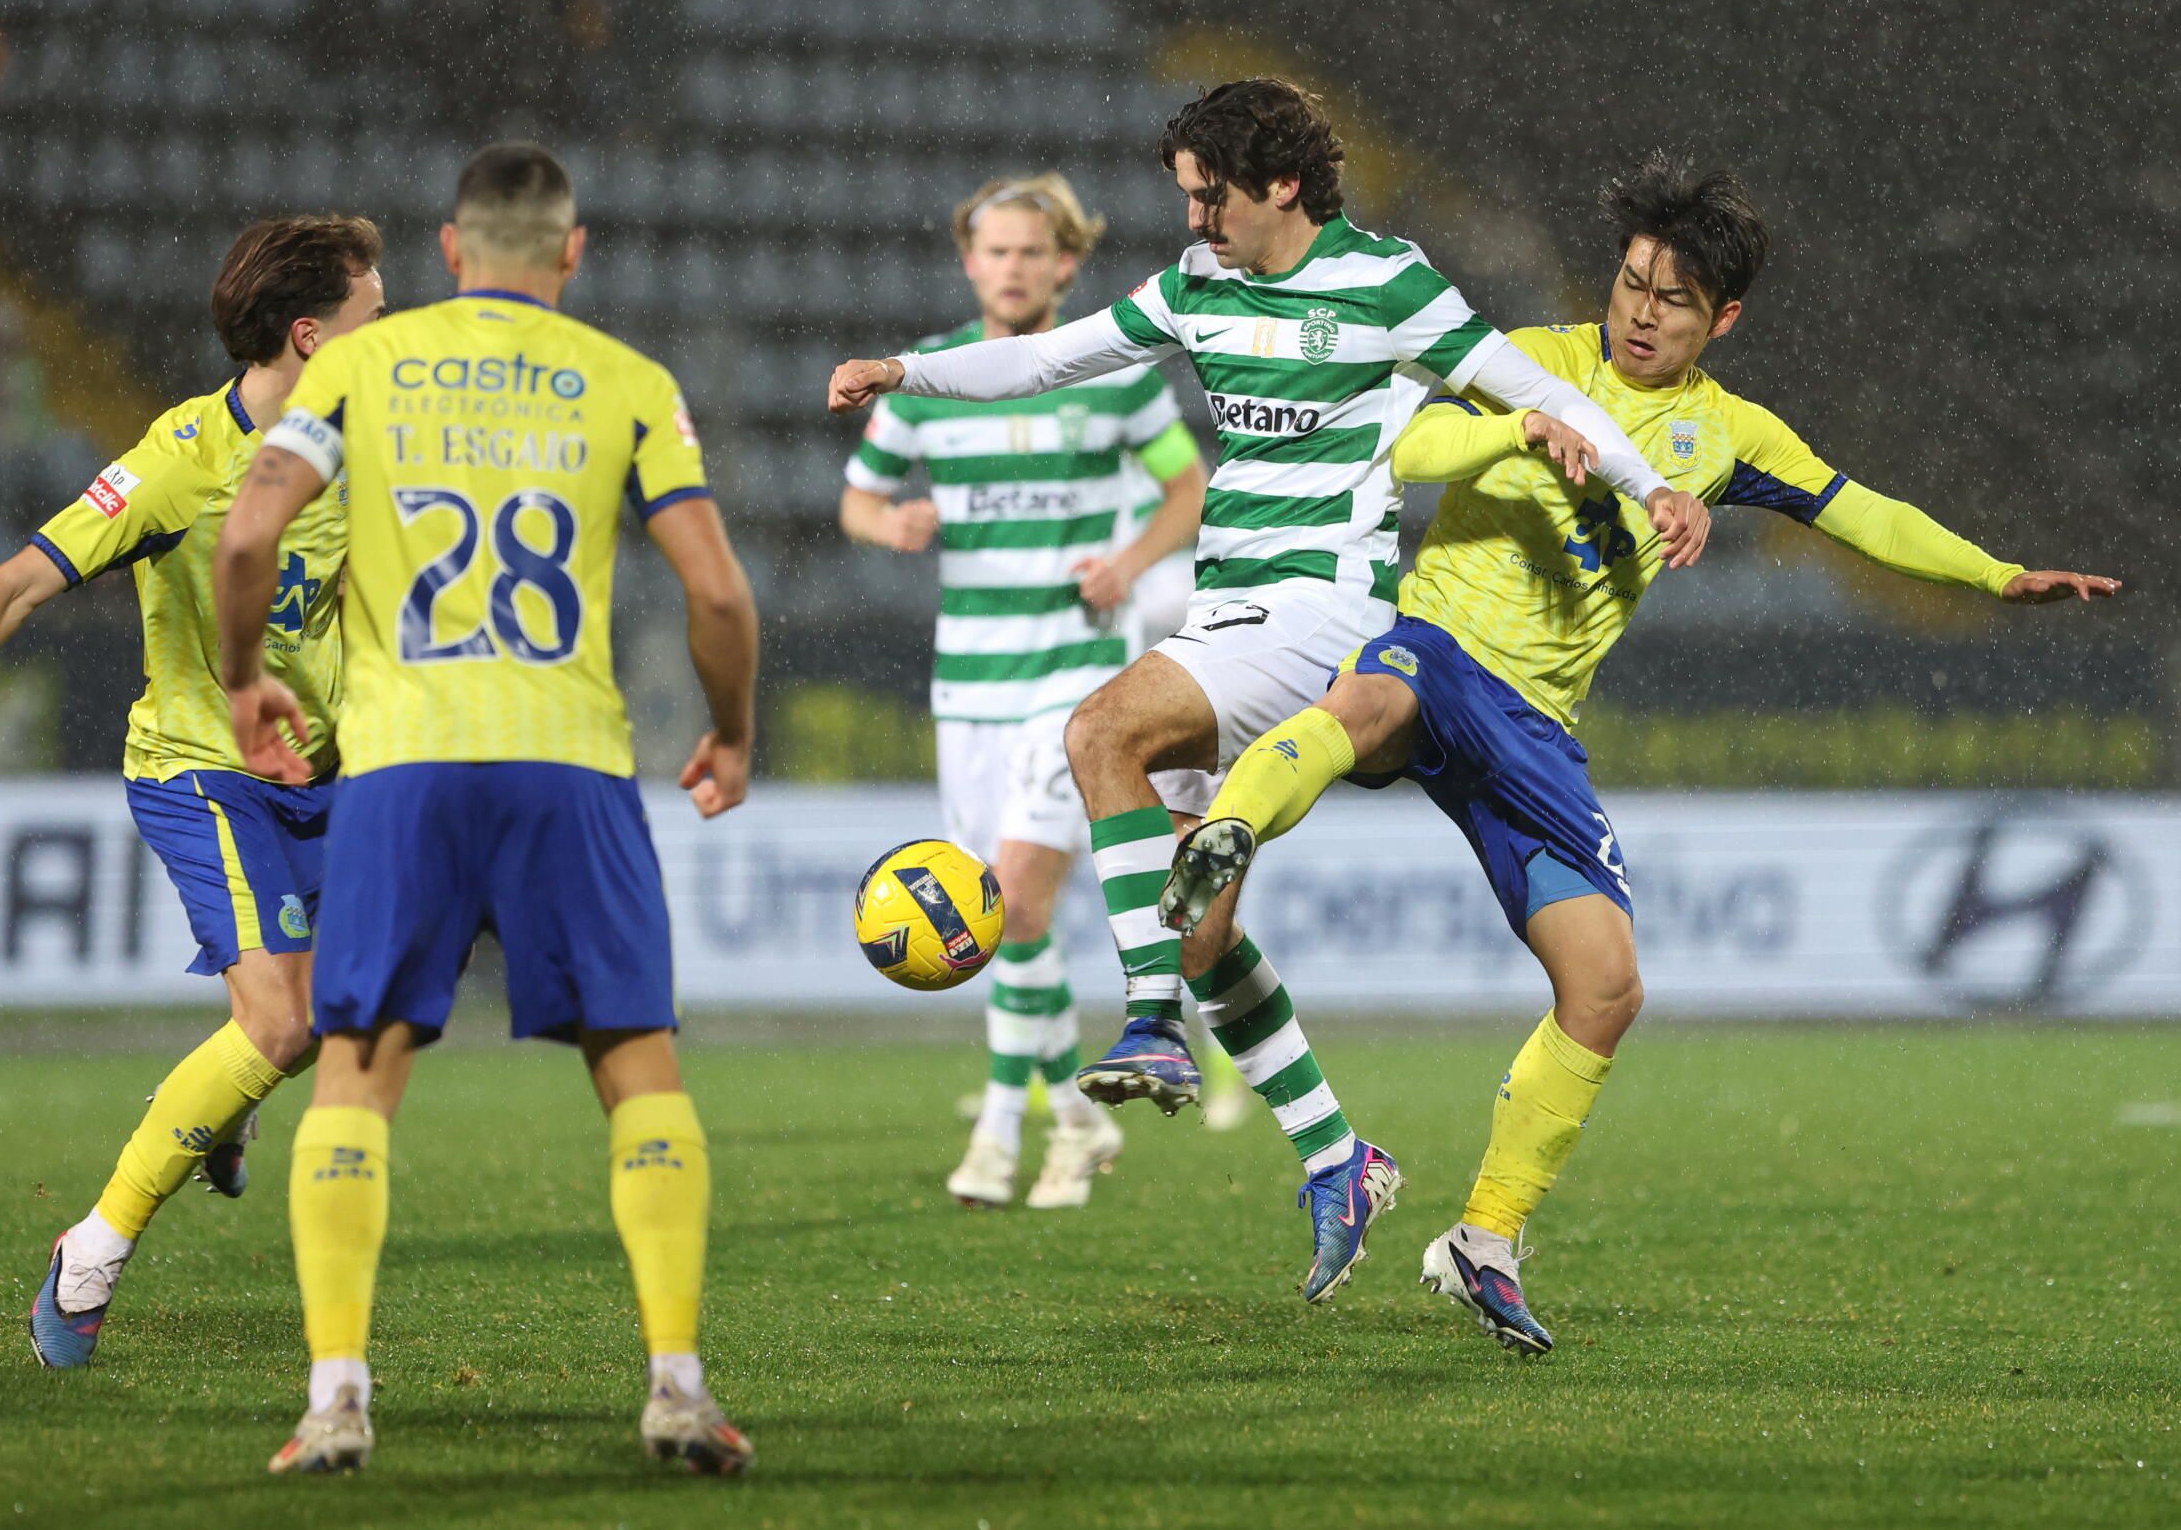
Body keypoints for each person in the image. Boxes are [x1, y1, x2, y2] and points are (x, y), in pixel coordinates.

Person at [1160, 151, 2123, 1353]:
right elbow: (1398, 454)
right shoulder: (1542, 361)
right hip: (1438, 649)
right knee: (1368, 702)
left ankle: (1484, 1240)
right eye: (1628, 282)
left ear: (1722, 318)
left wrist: (1992, 573)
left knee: (1607, 987)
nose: (1637, 311)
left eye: (1670, 299)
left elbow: (1860, 508)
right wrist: (1517, 432)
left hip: (1538, 731)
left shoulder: (1728, 435)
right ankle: (1230, 833)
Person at [830, 79, 1711, 1306]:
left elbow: (1542, 393)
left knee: (1101, 730)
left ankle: (1146, 1019)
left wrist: (1648, 485)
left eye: (1210, 194)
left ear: (1280, 186)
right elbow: (1048, 358)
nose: (1194, 218)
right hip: (1225, 612)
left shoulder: (1386, 282)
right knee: (1202, 929)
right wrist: (906, 372)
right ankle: (1339, 1156)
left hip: (1322, 614)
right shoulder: (1199, 288)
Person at [214, 143, 759, 1477]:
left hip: (403, 765)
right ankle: (677, 1383)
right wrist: (734, 731)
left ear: (452, 251)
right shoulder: (631, 381)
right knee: (639, 1065)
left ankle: (337, 1393)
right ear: (571, 253)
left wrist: (242, 680)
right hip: (567, 757)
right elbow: (723, 594)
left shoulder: (358, 362)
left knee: (359, 1068)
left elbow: (242, 537)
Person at [0, 215, 386, 1369]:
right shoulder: (182, 458)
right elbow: (22, 582)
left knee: (328, 1014)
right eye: (373, 315)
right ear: (306, 333)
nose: (391, 335)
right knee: (284, 1024)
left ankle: (215, 1113)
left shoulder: (368, 441)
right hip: (199, 768)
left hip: (323, 776)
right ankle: (92, 1251)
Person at [842, 172, 1211, 1210]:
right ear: (970, 262)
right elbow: (858, 502)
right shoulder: (936, 379)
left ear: (1065, 265)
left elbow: (1187, 487)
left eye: (1029, 251)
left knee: (1012, 903)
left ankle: (1003, 1137)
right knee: (991, 923)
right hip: (967, 688)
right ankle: (1079, 1123)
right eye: (993, 251)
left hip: (1072, 681)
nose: (1010, 268)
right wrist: (894, 524)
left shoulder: (1117, 376)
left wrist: (1131, 561)